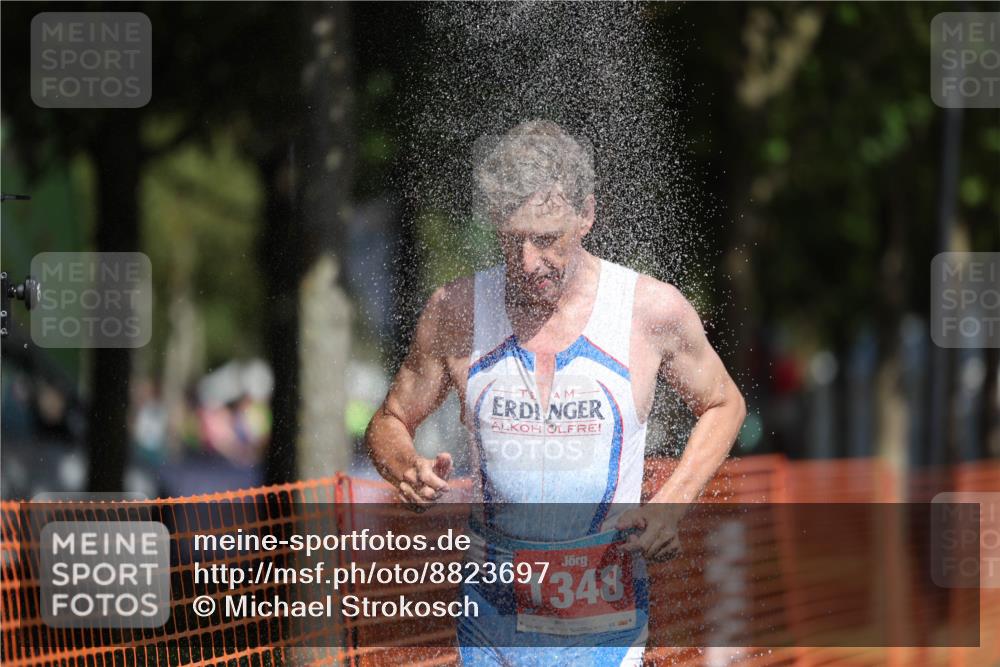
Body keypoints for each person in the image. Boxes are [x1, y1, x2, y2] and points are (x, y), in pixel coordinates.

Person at [365, 120, 746, 666]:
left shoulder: (648, 310)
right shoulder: (456, 313)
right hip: (491, 624)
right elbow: (389, 420)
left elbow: (723, 403)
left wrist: (671, 505)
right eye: (512, 238)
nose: (527, 262)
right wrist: (403, 465)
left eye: (546, 239)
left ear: (586, 215)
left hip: (603, 628)